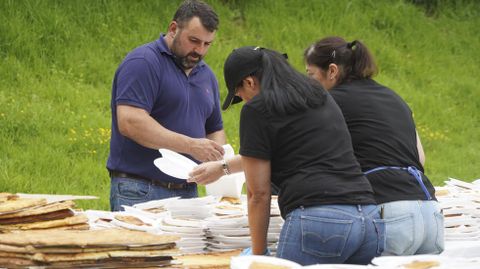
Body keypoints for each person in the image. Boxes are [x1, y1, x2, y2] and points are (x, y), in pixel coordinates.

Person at [209, 46, 384, 266]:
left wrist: (259, 254)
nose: (243, 100)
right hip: (369, 218)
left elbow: (258, 194)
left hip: (319, 219)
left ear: (250, 82)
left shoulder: (256, 109)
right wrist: (221, 167)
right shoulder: (317, 94)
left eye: (239, 95)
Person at [304, 36, 444, 256]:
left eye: (310, 74)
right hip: (430, 211)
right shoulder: (394, 97)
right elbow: (420, 158)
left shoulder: (329, 102)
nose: (308, 83)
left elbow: (302, 152)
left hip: (389, 212)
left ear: (332, 71)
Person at [107, 0, 226, 211]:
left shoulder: (207, 75)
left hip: (189, 191)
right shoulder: (143, 62)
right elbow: (130, 121)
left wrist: (216, 163)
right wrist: (191, 146)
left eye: (207, 44)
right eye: (193, 40)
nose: (199, 50)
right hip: (140, 188)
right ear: (173, 29)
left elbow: (214, 129)